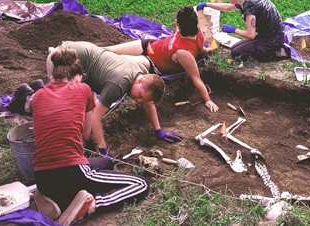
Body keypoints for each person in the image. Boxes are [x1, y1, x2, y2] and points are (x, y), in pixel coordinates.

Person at [33, 47, 150, 225]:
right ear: (78, 76)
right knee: (141, 184)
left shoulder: (38, 96)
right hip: (70, 171)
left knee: (107, 163)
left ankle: (57, 199)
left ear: (52, 77)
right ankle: (91, 205)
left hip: (42, 177)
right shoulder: (84, 89)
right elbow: (85, 134)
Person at [46, 41, 180, 158]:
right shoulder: (118, 84)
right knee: (68, 109)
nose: (138, 101)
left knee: (86, 112)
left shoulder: (142, 72)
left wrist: (158, 130)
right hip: (61, 60)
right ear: (140, 81)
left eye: (141, 99)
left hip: (79, 60)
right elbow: (95, 118)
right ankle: (34, 98)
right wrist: (103, 149)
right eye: (140, 96)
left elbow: (148, 103)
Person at [103, 5, 219, 112]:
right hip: (149, 45)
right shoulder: (197, 33)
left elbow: (196, 78)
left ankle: (91, 66)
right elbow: (201, 49)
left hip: (151, 62)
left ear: (178, 24)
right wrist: (208, 50)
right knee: (107, 50)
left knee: (117, 60)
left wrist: (207, 100)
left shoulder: (184, 52)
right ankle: (87, 52)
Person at [196, 0, 286, 62]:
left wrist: (234, 30)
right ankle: (270, 48)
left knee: (236, 53)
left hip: (273, 39)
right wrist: (207, 4)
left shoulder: (249, 7)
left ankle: (274, 53)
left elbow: (251, 35)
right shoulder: (244, 1)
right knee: (234, 48)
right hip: (269, 34)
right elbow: (227, 7)